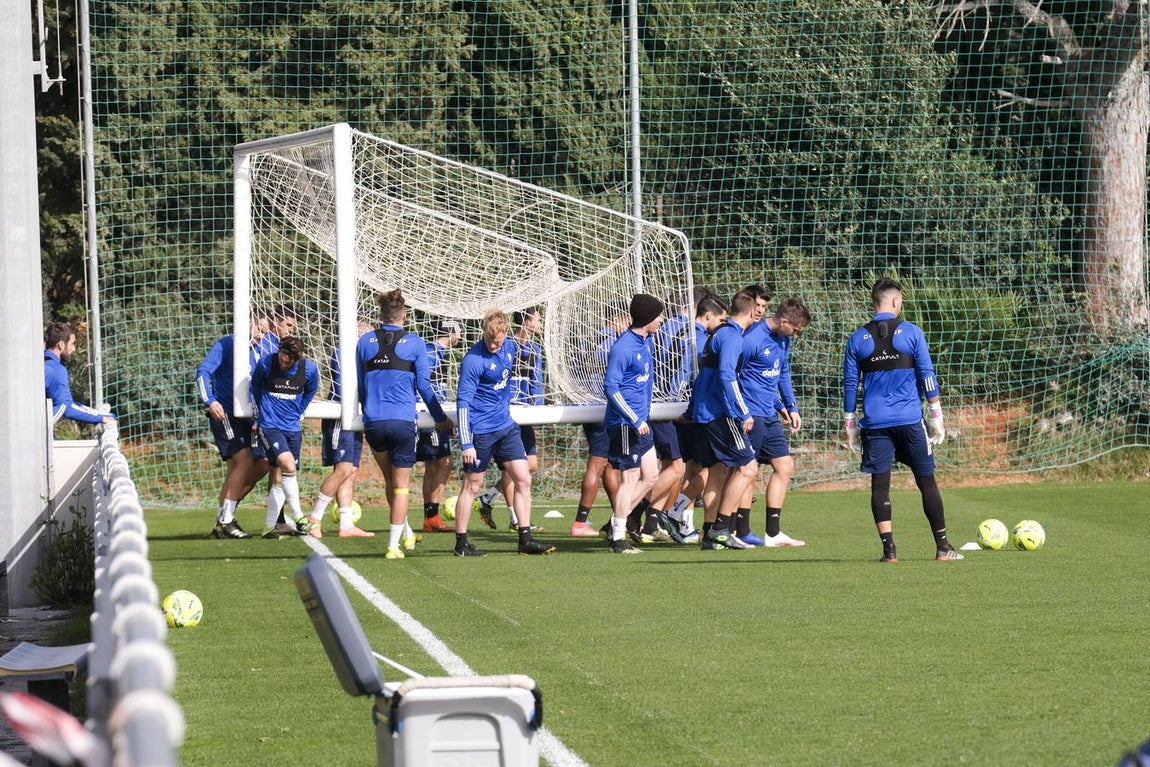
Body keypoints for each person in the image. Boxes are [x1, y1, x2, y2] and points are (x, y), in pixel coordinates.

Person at [842, 277, 961, 562]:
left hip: (875, 424)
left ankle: (889, 551)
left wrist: (850, 425)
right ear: (896, 301)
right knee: (927, 482)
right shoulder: (912, 332)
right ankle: (943, 548)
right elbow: (927, 375)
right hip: (909, 421)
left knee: (880, 486)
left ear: (875, 303)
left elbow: (849, 384)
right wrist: (936, 416)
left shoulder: (856, 339)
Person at [450, 309, 555, 556]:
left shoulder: (509, 347)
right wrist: (467, 443)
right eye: (489, 340)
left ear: (506, 334)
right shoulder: (473, 360)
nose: (493, 345)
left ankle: (525, 540)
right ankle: (461, 544)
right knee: (472, 485)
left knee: (523, 477)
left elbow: (523, 340)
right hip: (481, 432)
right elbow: (462, 403)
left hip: (506, 427)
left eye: (497, 341)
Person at [357, 290, 453, 559]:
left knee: (390, 481)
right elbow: (424, 385)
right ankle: (392, 545)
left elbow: (360, 385)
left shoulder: (364, 341)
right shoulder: (416, 343)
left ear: (380, 316)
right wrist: (440, 418)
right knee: (400, 486)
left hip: (373, 423)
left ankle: (407, 532)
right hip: (401, 423)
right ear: (405, 316)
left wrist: (367, 412)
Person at [737, 297, 811, 547]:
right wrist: (740, 409)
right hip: (751, 414)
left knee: (785, 466)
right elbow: (732, 373)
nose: (797, 335)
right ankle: (741, 531)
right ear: (783, 321)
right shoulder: (753, 339)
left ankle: (773, 532)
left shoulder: (784, 340)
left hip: (769, 413)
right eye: (796, 330)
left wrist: (789, 406)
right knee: (749, 471)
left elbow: (783, 373)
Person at [691, 290, 759, 550]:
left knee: (718, 471)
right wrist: (743, 412)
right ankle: (721, 528)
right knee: (748, 468)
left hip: (705, 412)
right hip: (721, 413)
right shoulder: (731, 336)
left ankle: (709, 533)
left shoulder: (717, 333)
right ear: (753, 312)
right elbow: (727, 377)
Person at [195, 316, 270, 539]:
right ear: (248, 323)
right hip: (225, 413)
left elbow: (256, 386)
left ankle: (223, 518)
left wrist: (258, 416)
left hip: (248, 418)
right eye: (259, 329)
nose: (261, 335)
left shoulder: (257, 352)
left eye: (265, 332)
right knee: (244, 460)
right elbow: (203, 372)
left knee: (262, 463)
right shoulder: (227, 344)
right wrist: (210, 400)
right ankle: (227, 519)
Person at [602, 294, 665, 553]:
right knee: (629, 478)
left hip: (641, 423)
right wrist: (634, 418)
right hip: (626, 424)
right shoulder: (623, 347)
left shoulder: (645, 342)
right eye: (658, 315)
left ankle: (614, 523)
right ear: (648, 318)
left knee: (651, 476)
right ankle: (618, 537)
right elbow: (611, 387)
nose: (662, 320)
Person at [666, 291, 727, 542]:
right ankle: (672, 512)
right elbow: (688, 375)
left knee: (693, 468)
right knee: (714, 468)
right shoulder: (699, 341)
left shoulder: (681, 333)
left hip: (679, 408)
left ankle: (685, 526)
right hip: (693, 410)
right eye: (722, 320)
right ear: (709, 315)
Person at [307, 319, 375, 538]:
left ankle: (346, 524)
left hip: (356, 415)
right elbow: (344, 384)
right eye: (366, 335)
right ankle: (315, 517)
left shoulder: (364, 356)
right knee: (343, 469)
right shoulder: (343, 352)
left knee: (351, 471)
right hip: (340, 415)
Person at [251, 335, 320, 538]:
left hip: (292, 428)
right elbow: (255, 387)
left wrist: (300, 410)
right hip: (270, 425)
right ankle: (300, 518)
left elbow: (311, 390)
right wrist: (259, 414)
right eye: (281, 355)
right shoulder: (266, 364)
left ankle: (269, 527)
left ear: (297, 358)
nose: (283, 360)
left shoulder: (308, 369)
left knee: (281, 476)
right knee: (288, 465)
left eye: (288, 359)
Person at [570, 305, 628, 537]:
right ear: (618, 318)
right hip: (604, 409)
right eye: (627, 320)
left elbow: (574, 372)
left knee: (609, 468)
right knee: (598, 463)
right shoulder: (612, 344)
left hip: (586, 408)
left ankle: (621, 518)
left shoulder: (588, 341)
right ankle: (580, 522)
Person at [417, 318, 463, 533]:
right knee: (444, 463)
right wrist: (433, 419)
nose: (461, 335)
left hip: (435, 417)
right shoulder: (431, 353)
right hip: (430, 419)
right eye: (459, 329)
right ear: (452, 330)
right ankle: (432, 515)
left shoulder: (440, 354)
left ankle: (430, 518)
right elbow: (423, 387)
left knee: (433, 466)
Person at [44, 322, 117, 428]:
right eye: (72, 344)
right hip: (34, 436)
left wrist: (99, 414)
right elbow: (66, 407)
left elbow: (70, 404)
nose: (74, 349)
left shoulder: (41, 363)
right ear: (61, 345)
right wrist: (102, 418)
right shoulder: (56, 370)